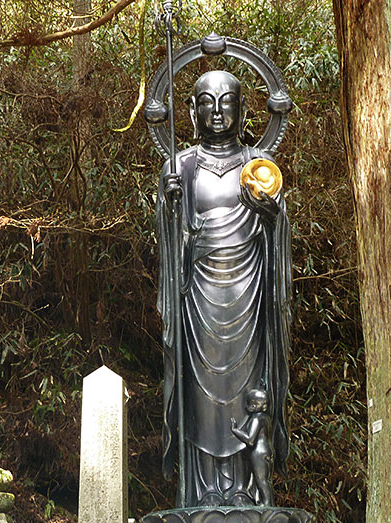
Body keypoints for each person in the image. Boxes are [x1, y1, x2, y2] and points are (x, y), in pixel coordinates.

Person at [156, 70, 291, 507]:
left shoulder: (258, 166)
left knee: (249, 393)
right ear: (192, 111)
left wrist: (272, 216)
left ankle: (246, 494)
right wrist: (170, 207)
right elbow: (172, 241)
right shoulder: (181, 166)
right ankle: (200, 493)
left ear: (243, 109)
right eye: (206, 102)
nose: (217, 111)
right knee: (201, 400)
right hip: (199, 300)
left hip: (248, 295)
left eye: (227, 101)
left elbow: (277, 229)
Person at [231, 388, 274, 506]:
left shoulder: (257, 418)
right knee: (266, 480)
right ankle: (268, 502)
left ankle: (266, 503)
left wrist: (235, 430)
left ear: (255, 406)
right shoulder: (267, 418)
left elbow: (250, 440)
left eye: (249, 404)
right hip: (267, 450)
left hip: (258, 452)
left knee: (261, 480)